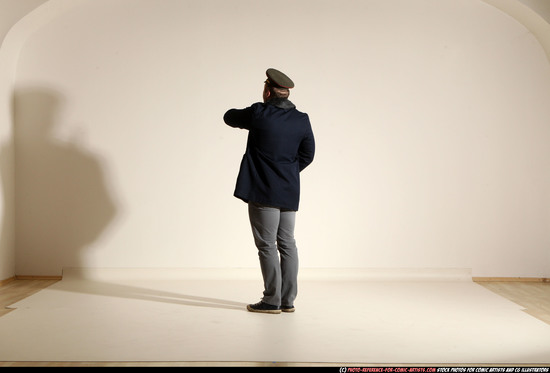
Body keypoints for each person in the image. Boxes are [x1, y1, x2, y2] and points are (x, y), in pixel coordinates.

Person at [224, 68, 315, 314]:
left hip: (263, 189)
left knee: (267, 245)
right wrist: (288, 171)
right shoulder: (302, 119)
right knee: (287, 243)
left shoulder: (258, 113)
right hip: (289, 190)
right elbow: (308, 155)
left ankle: (271, 300)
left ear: (267, 91)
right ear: (286, 94)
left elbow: (229, 117)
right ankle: (288, 301)